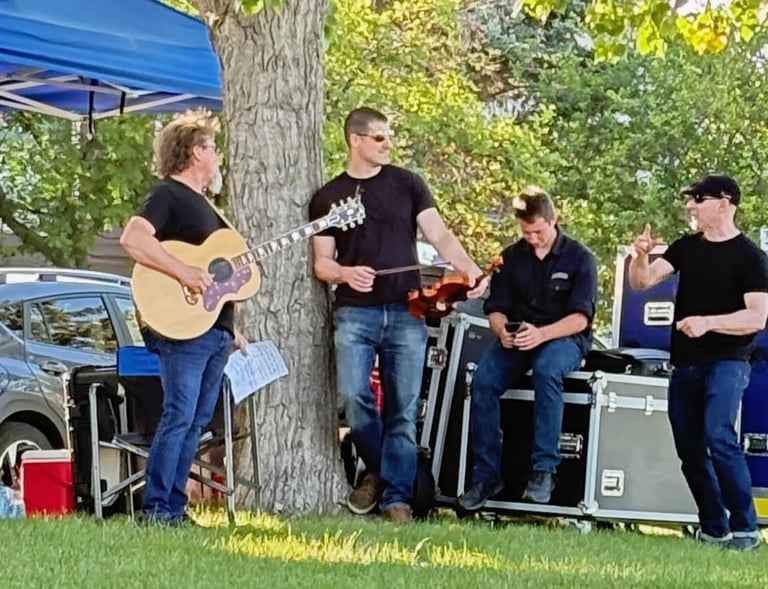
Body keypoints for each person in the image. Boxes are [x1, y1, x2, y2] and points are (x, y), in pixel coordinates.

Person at [309, 107, 487, 523]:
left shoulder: (408, 184)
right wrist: (346, 273)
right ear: (355, 140)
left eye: (389, 136)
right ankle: (380, 470)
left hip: (407, 312)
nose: (388, 144)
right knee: (354, 397)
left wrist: (469, 268)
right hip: (355, 313)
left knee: (403, 408)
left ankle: (396, 500)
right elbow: (322, 263)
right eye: (379, 137)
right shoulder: (328, 196)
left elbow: (439, 235)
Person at [628, 173, 768, 552]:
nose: (690, 206)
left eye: (698, 199)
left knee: (719, 435)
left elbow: (756, 317)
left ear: (724, 203)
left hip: (729, 361)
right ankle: (713, 528)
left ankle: (746, 530)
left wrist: (708, 323)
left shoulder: (751, 258)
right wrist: (640, 257)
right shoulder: (685, 248)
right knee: (689, 450)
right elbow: (642, 282)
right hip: (686, 363)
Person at [120, 111, 247, 526]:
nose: (218, 157)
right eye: (213, 148)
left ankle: (175, 507)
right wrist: (184, 272)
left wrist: (230, 328)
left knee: (195, 421)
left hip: (212, 330)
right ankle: (157, 508)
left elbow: (214, 277)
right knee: (179, 415)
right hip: (182, 331)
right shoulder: (168, 194)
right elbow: (133, 238)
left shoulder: (207, 207)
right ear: (195, 152)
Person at [458, 185, 597, 511]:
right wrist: (502, 332)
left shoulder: (581, 258)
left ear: (553, 219)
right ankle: (486, 475)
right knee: (483, 381)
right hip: (518, 336)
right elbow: (495, 309)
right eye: (526, 232)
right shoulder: (510, 257)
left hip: (564, 337)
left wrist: (542, 334)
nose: (532, 238)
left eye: (538, 231)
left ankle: (544, 469)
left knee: (547, 371)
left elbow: (580, 319)